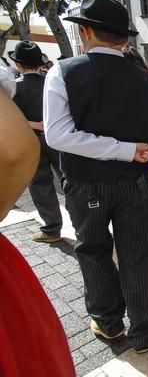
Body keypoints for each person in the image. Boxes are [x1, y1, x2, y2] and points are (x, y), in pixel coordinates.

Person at [43, 0, 148, 353]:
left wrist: (116, 149)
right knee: (138, 254)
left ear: (85, 32)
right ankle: (145, 330)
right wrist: (128, 149)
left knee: (94, 250)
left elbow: (58, 135)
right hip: (138, 181)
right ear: (125, 39)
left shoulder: (62, 72)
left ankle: (109, 322)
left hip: (86, 183)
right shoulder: (147, 80)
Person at [0, 65, 75, 376]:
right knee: (58, 180)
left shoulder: (29, 83)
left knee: (42, 188)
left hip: (37, 140)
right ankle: (63, 217)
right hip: (53, 143)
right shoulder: (48, 81)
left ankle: (52, 225)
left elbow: (15, 150)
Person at [9, 40, 64, 243]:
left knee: (41, 184)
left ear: (18, 64)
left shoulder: (14, 88)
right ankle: (81, 223)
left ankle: (52, 228)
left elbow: (11, 119)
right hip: (57, 138)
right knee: (68, 180)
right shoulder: (51, 82)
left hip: (31, 142)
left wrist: (34, 124)